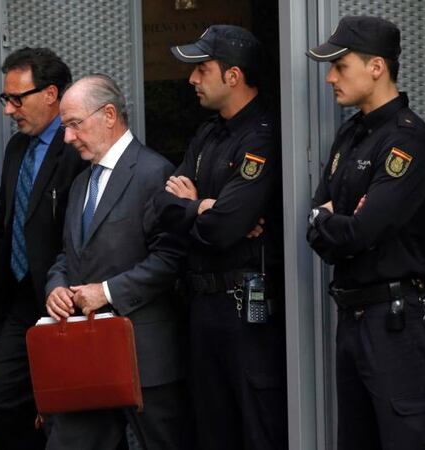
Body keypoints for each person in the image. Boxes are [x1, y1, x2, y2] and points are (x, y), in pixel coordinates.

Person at [306, 15, 425, 449]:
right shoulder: (350, 136)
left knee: (407, 438)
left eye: (340, 66)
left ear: (376, 68)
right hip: (352, 315)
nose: (330, 77)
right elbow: (317, 224)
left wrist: (331, 221)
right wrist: (329, 220)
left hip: (396, 320)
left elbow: (362, 231)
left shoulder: (409, 140)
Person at [153, 25, 287, 449]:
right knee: (211, 428)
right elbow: (160, 206)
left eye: (202, 69)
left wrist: (199, 208)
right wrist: (204, 208)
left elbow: (226, 226)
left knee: (255, 422)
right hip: (201, 304)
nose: (192, 79)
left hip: (247, 303)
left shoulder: (263, 135)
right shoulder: (208, 134)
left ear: (233, 76)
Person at [0, 47, 85, 449]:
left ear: (51, 94)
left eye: (16, 99)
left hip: (68, 302)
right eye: (4, 99)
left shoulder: (77, 146)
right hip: (20, 299)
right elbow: (0, 229)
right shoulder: (16, 149)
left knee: (68, 414)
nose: (9, 110)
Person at [44, 74, 187, 450]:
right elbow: (68, 254)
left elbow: (171, 258)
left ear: (109, 114)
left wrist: (106, 292)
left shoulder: (154, 172)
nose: (68, 137)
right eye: (65, 127)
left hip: (145, 359)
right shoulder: (81, 184)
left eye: (75, 124)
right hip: (87, 359)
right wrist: (55, 287)